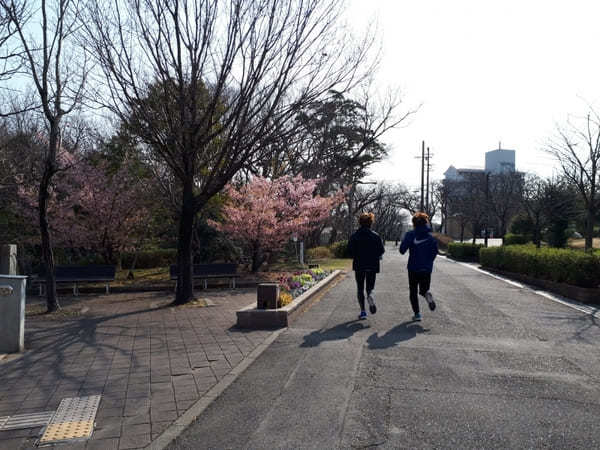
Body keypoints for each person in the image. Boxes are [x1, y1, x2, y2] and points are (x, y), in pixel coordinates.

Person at [399, 212, 438, 321]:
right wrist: (429, 262)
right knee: (423, 290)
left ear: (414, 223)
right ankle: (427, 294)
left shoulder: (411, 234)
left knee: (413, 291)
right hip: (426, 268)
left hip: (413, 268)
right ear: (426, 223)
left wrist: (405, 241)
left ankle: (417, 314)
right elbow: (435, 252)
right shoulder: (431, 236)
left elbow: (402, 250)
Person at [348, 212, 385, 320]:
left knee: (360, 288)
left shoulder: (355, 236)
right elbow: (381, 251)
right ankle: (370, 296)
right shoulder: (376, 236)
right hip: (372, 265)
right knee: (370, 287)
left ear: (360, 223)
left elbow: (350, 252)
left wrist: (356, 255)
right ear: (371, 223)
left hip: (359, 265)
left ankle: (363, 312)